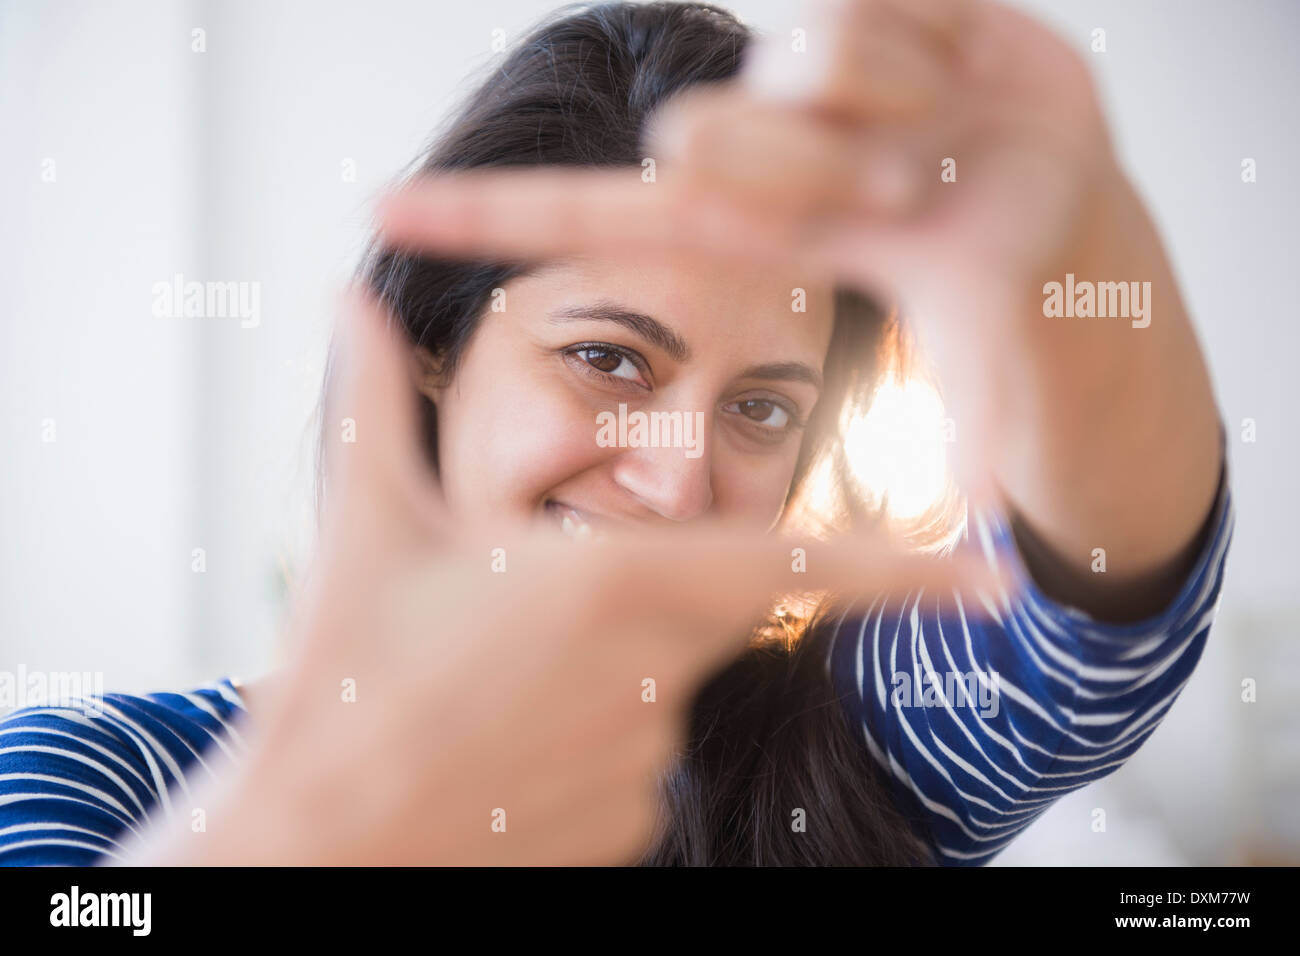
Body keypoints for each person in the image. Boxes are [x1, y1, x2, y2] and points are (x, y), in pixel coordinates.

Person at [0, 0, 1233, 867]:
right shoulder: (91, 781)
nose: (678, 474)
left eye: (761, 407)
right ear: (432, 348)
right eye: (607, 358)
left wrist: (1075, 235)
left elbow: (1087, 632)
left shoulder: (837, 766)